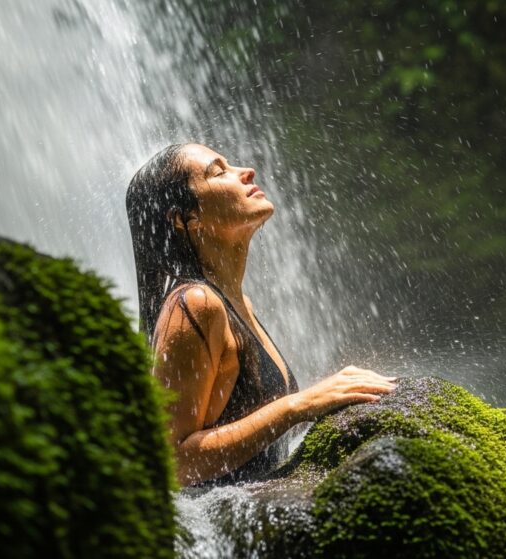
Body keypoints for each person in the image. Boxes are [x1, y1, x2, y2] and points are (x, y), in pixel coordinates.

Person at [126, 143, 396, 486]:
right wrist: (298, 406)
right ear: (185, 219)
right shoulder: (195, 304)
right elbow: (171, 463)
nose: (246, 171)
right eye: (218, 171)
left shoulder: (236, 303)